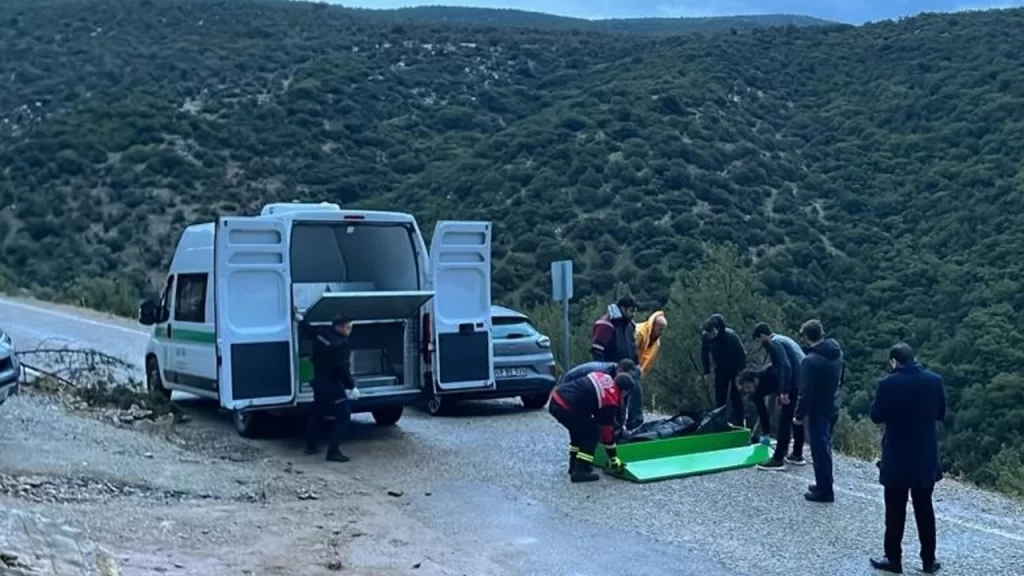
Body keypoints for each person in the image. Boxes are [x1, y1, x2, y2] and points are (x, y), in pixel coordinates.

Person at [868, 343, 945, 574]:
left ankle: (893, 558)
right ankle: (929, 560)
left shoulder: (887, 384)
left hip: (897, 455)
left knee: (895, 509)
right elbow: (941, 413)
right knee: (925, 508)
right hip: (925, 454)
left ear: (894, 362)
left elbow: (876, 416)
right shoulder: (934, 380)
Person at [549, 359, 637, 483]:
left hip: (557, 399)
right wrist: (613, 458)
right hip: (567, 406)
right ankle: (581, 471)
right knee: (592, 434)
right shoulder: (610, 399)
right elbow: (607, 434)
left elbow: (594, 401)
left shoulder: (604, 377)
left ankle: (573, 466)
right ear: (625, 391)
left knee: (578, 432)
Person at [793, 319, 843, 502]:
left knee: (819, 450)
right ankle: (822, 484)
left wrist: (798, 415)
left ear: (806, 337)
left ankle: (825, 490)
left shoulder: (810, 362)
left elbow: (804, 392)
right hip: (833, 404)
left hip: (818, 409)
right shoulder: (836, 351)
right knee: (825, 446)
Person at [303, 315, 359, 463]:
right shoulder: (340, 345)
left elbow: (308, 331)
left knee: (318, 413)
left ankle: (310, 445)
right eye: (348, 327)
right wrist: (351, 387)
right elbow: (342, 369)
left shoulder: (322, 332)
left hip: (318, 381)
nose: (350, 330)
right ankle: (333, 452)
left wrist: (300, 321)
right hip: (332, 385)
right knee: (344, 415)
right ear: (339, 327)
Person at [752, 322, 808, 470]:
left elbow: (785, 367)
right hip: (803, 381)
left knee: (785, 419)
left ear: (763, 336)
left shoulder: (775, 343)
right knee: (796, 419)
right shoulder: (783, 339)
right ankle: (797, 454)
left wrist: (784, 392)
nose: (760, 344)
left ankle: (778, 459)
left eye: (759, 340)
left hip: (795, 384)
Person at [591, 297, 643, 430]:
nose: (633, 314)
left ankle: (626, 427)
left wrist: (637, 364)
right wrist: (602, 374)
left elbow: (632, 346)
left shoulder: (630, 324)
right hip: (611, 370)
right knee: (612, 403)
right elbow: (597, 350)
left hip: (627, 368)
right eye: (631, 310)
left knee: (625, 400)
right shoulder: (606, 324)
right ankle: (610, 431)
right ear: (623, 309)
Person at [700, 313, 747, 427]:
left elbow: (742, 354)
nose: (710, 335)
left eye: (712, 332)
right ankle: (720, 422)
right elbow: (704, 354)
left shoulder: (731, 337)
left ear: (718, 328)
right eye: (708, 333)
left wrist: (740, 374)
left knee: (736, 397)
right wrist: (706, 371)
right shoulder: (707, 337)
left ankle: (739, 423)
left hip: (735, 369)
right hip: (720, 369)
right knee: (720, 398)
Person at [635, 311, 667, 376]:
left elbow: (648, 364)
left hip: (636, 373)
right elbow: (629, 352)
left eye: (663, 329)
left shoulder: (657, 344)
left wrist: (641, 375)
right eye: (660, 329)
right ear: (653, 325)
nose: (662, 332)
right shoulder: (639, 333)